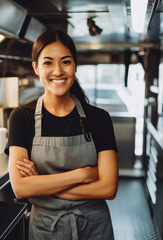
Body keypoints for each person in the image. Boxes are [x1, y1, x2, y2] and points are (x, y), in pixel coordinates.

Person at [6, 29, 118, 240]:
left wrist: (40, 183)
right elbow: (20, 188)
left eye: (65, 62)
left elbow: (109, 188)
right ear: (36, 68)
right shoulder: (22, 117)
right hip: (45, 229)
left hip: (94, 228)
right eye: (48, 62)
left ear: (75, 66)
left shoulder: (99, 119)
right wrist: (82, 175)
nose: (58, 71)